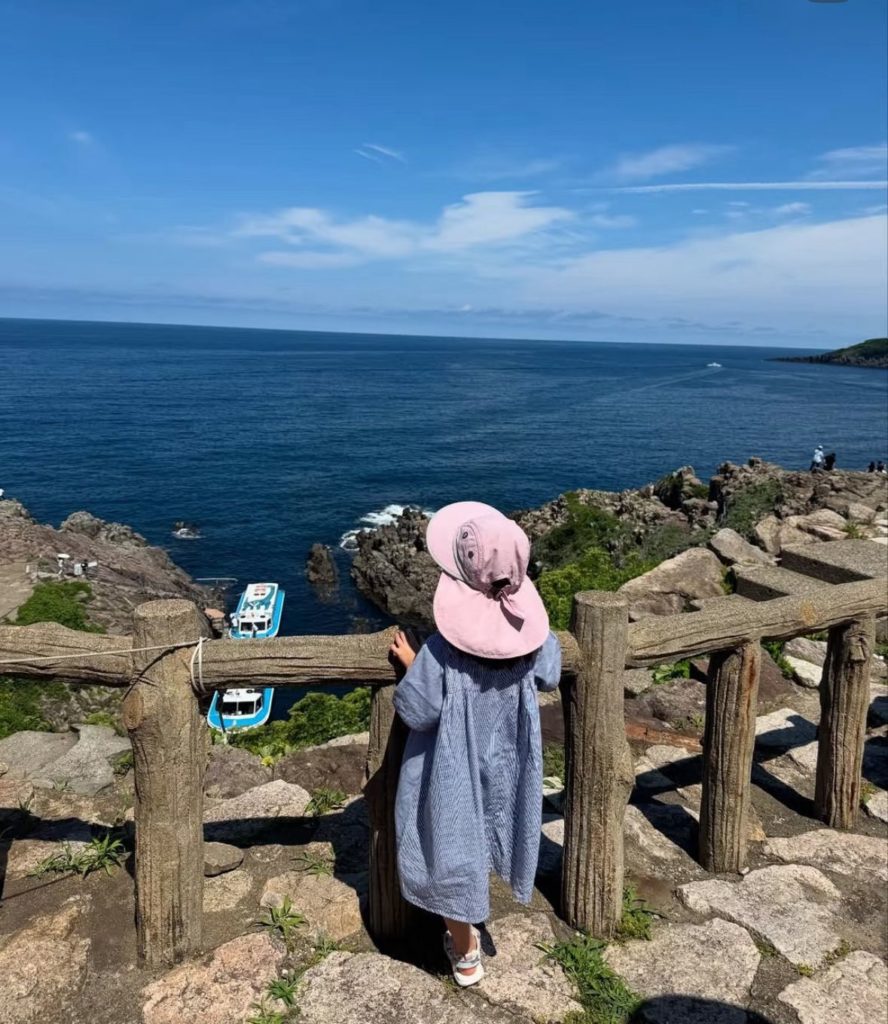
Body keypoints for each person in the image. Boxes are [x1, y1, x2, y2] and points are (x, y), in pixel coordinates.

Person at [388, 502, 560, 988]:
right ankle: (475, 915)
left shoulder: (442, 652)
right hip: (508, 758)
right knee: (487, 827)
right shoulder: (534, 639)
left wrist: (412, 664)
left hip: (451, 765)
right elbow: (549, 674)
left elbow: (418, 711)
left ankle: (465, 951)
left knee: (450, 844)